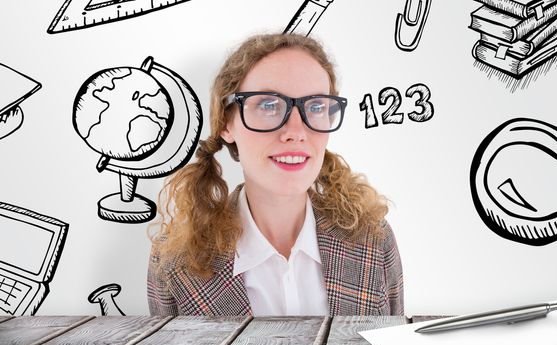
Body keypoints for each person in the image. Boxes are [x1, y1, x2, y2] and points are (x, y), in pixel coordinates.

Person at [147, 34, 404, 316]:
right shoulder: (175, 261)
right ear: (226, 124)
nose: (295, 132)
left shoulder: (373, 238)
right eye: (269, 105)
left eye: (316, 106)